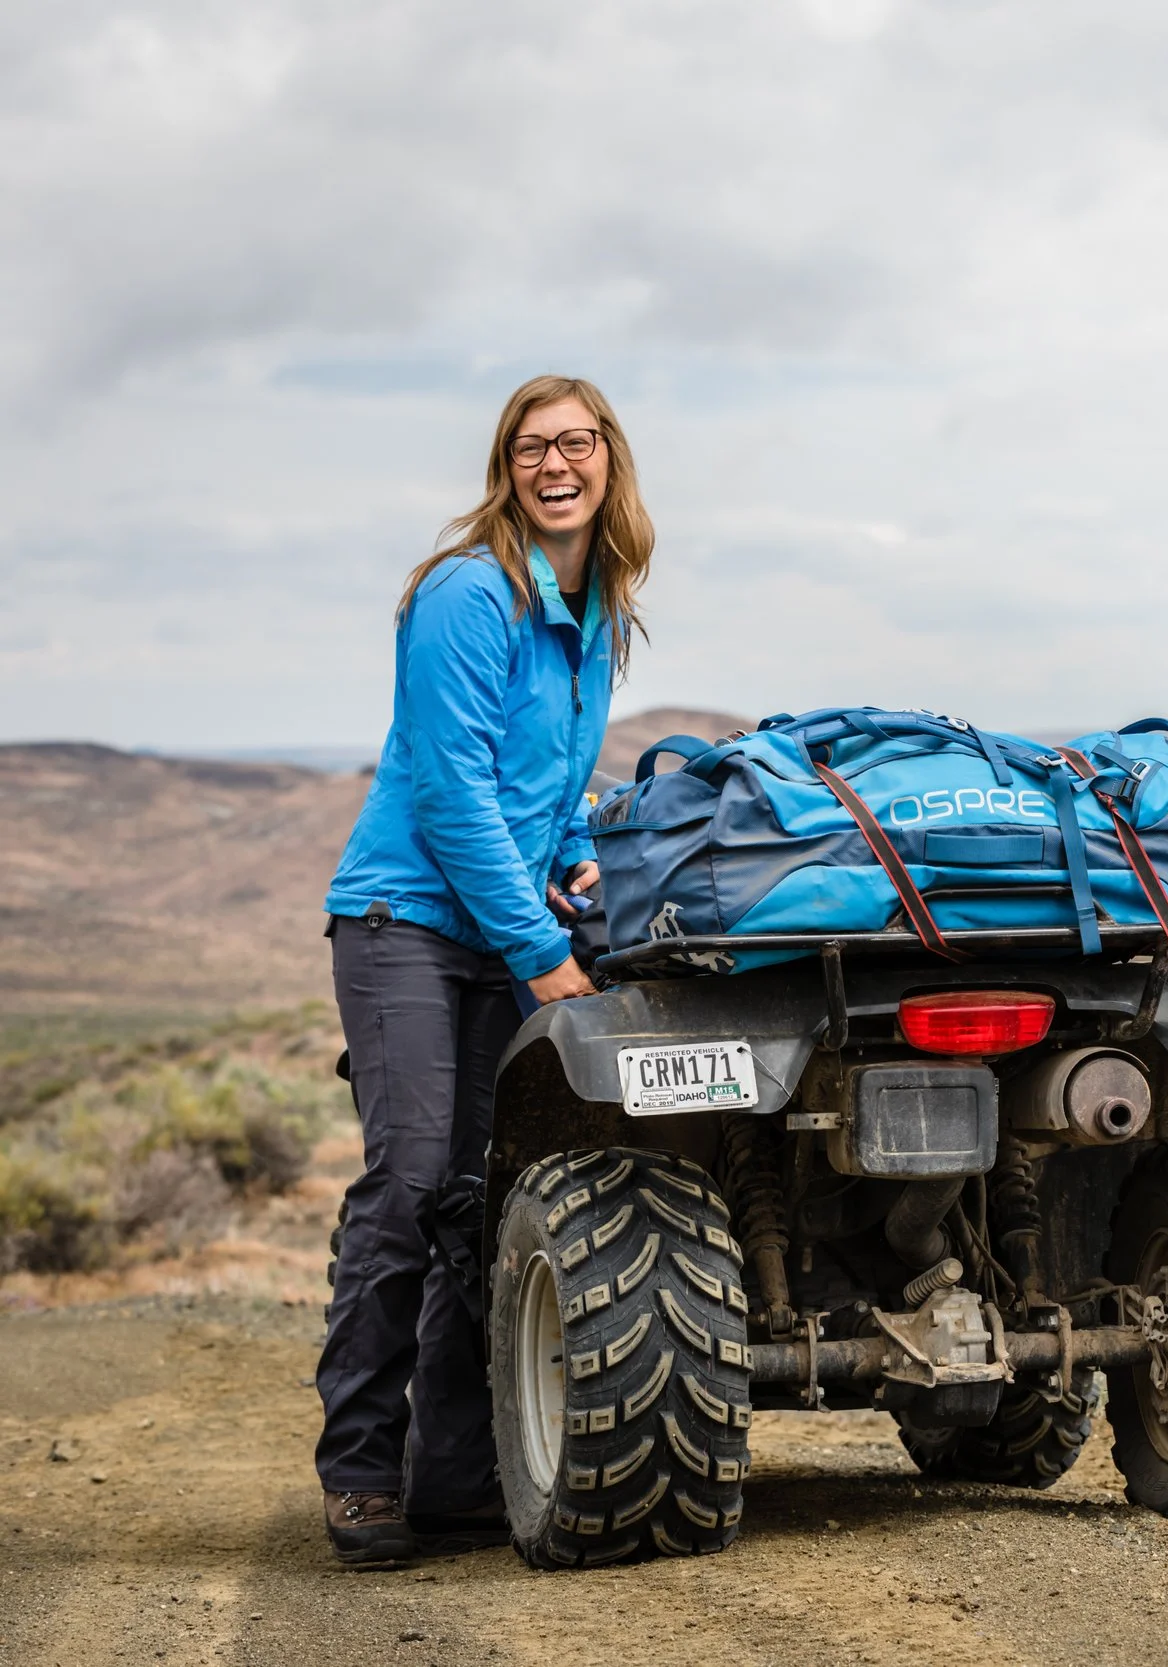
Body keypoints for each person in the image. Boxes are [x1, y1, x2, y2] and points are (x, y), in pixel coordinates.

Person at [316, 375, 652, 1563]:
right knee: (409, 1187)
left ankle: (451, 1476)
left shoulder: (599, 606)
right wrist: (543, 953)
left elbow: (549, 789)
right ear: (504, 467)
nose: (553, 463)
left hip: (496, 922)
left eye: (575, 442)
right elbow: (453, 794)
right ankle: (361, 1471)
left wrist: (579, 862)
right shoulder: (470, 592)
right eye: (529, 446)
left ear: (611, 457)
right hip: (405, 918)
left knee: (479, 1200)